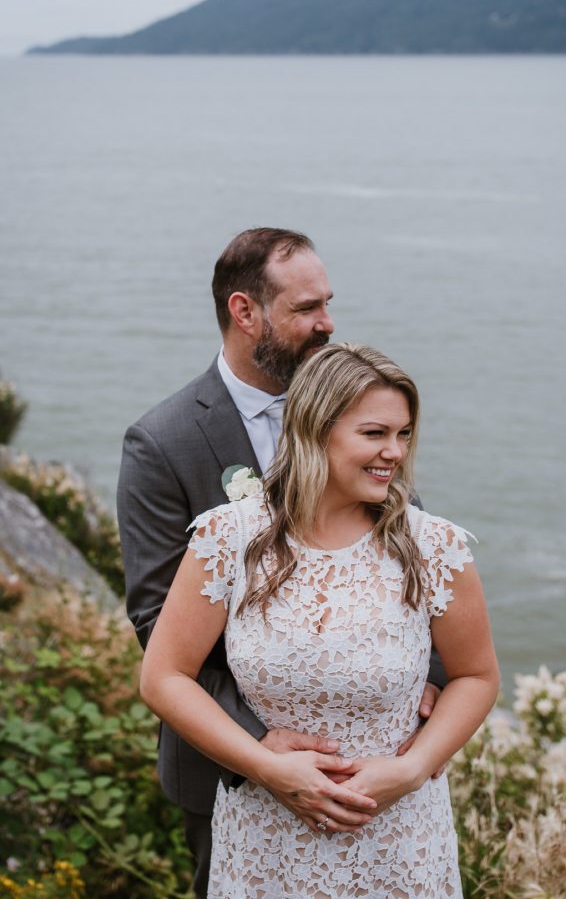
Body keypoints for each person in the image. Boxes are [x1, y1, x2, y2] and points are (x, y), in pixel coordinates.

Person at [117, 229, 443, 898]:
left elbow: (414, 560)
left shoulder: (360, 410)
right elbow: (157, 621)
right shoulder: (163, 441)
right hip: (228, 769)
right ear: (245, 313)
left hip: (376, 769)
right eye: (305, 309)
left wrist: (427, 680)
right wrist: (263, 746)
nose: (327, 323)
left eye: (328, 303)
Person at [140, 343, 500, 899]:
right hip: (264, 838)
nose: (395, 453)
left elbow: (477, 677)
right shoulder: (228, 538)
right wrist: (265, 767)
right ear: (316, 430)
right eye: (375, 434)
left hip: (399, 841)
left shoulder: (435, 546)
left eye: (404, 435)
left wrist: (413, 769)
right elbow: (164, 677)